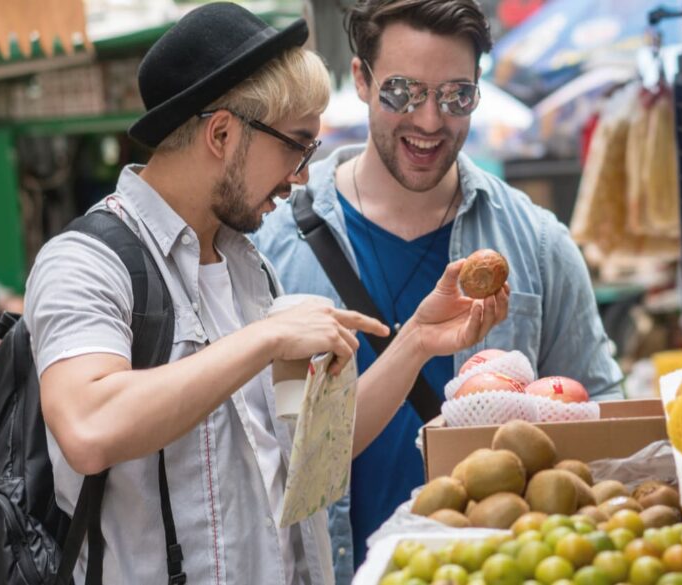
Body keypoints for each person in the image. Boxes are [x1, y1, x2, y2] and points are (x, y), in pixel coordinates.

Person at [26, 3, 508, 583]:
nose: (303, 173)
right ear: (224, 134)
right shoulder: (85, 261)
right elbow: (88, 428)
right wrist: (264, 338)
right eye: (296, 145)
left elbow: (315, 455)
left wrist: (419, 342)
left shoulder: (247, 265)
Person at [253, 0, 626, 579]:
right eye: (403, 92)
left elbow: (606, 428)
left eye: (456, 96)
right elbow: (251, 454)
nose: (429, 121)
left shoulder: (538, 244)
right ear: (360, 79)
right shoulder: (273, 244)